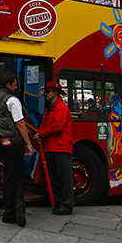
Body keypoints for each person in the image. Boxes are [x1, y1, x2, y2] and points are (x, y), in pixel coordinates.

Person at [0, 71, 35, 227]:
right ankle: (13, 211)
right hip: (13, 143)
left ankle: (15, 210)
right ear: (8, 85)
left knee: (11, 175)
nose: (15, 88)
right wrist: (28, 143)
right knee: (14, 176)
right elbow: (20, 123)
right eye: (14, 85)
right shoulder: (12, 100)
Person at [36, 81, 75, 215]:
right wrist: (40, 133)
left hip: (60, 147)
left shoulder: (61, 108)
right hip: (52, 147)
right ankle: (59, 202)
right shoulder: (52, 108)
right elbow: (45, 124)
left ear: (55, 93)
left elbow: (57, 126)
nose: (45, 94)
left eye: (48, 92)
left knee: (64, 178)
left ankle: (66, 204)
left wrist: (40, 134)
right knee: (53, 176)